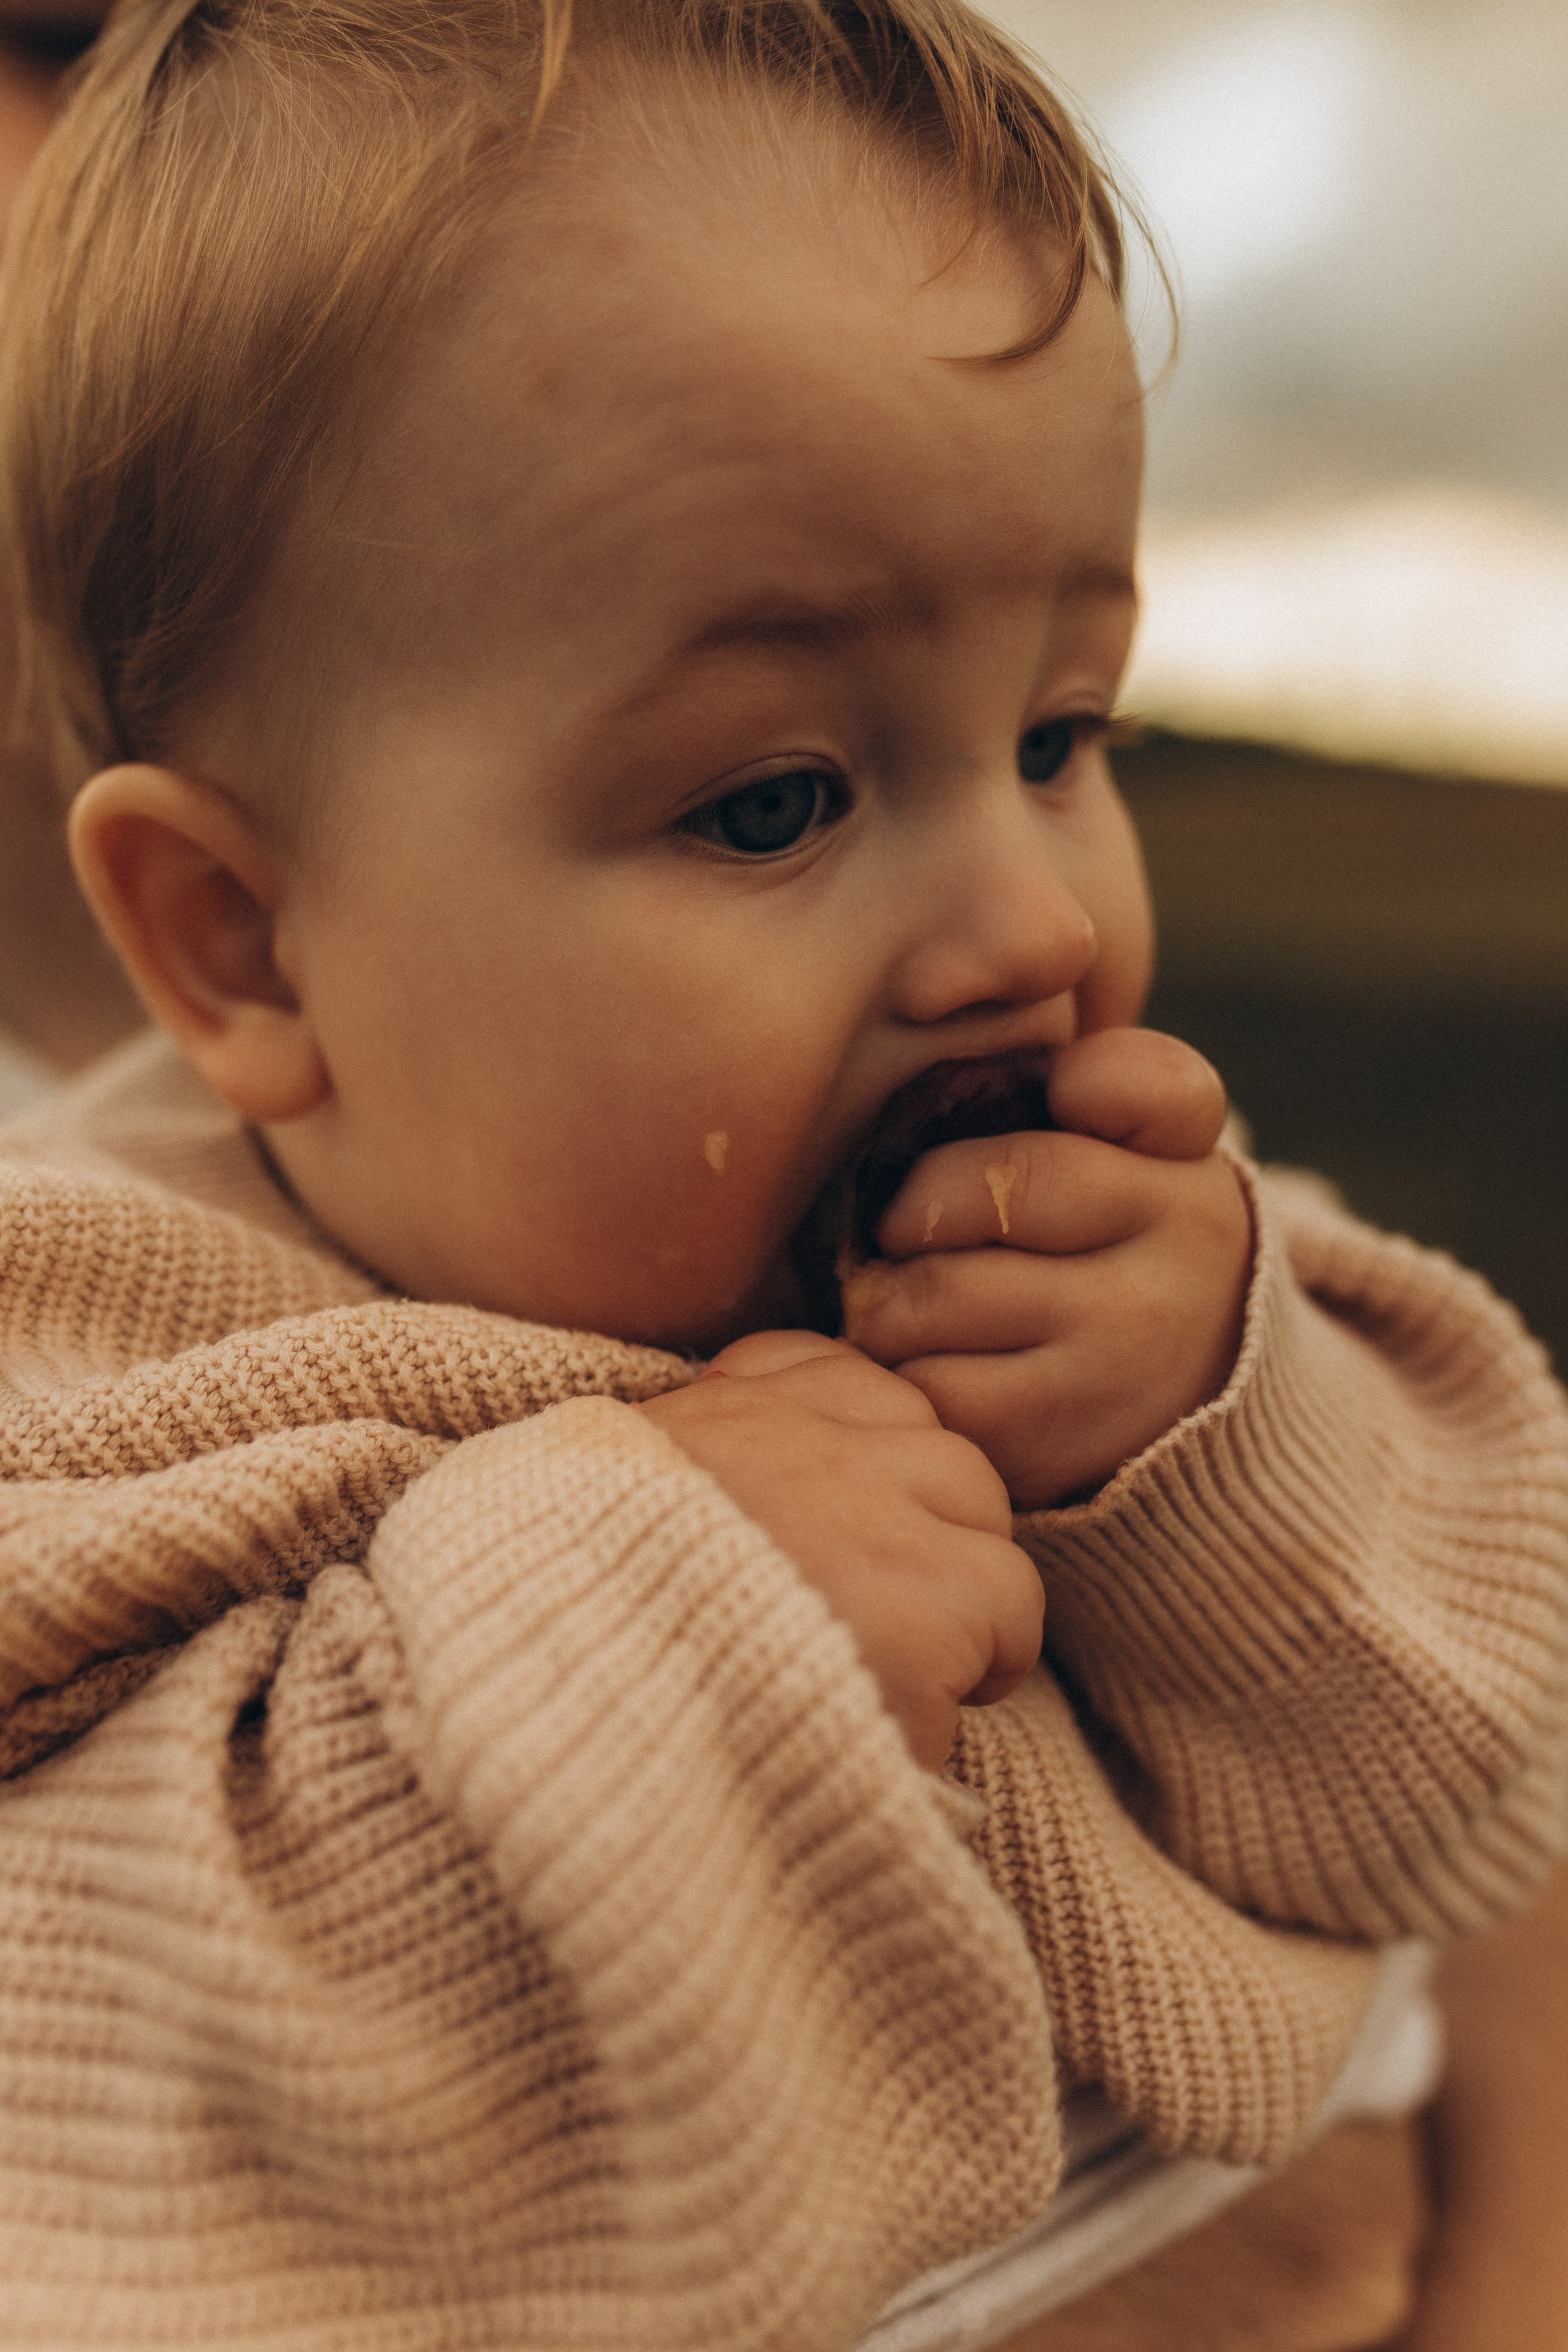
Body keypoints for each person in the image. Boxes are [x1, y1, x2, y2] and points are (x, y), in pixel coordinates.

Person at [0, 3, 1564, 2346]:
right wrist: (671, 1620)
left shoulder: (1131, 1247)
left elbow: (1465, 1763)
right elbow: (98, 2083)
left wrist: (1222, 1447)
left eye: (1063, 735)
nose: (1036, 929)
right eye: (772, 801)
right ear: (245, 940)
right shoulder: (94, 1365)